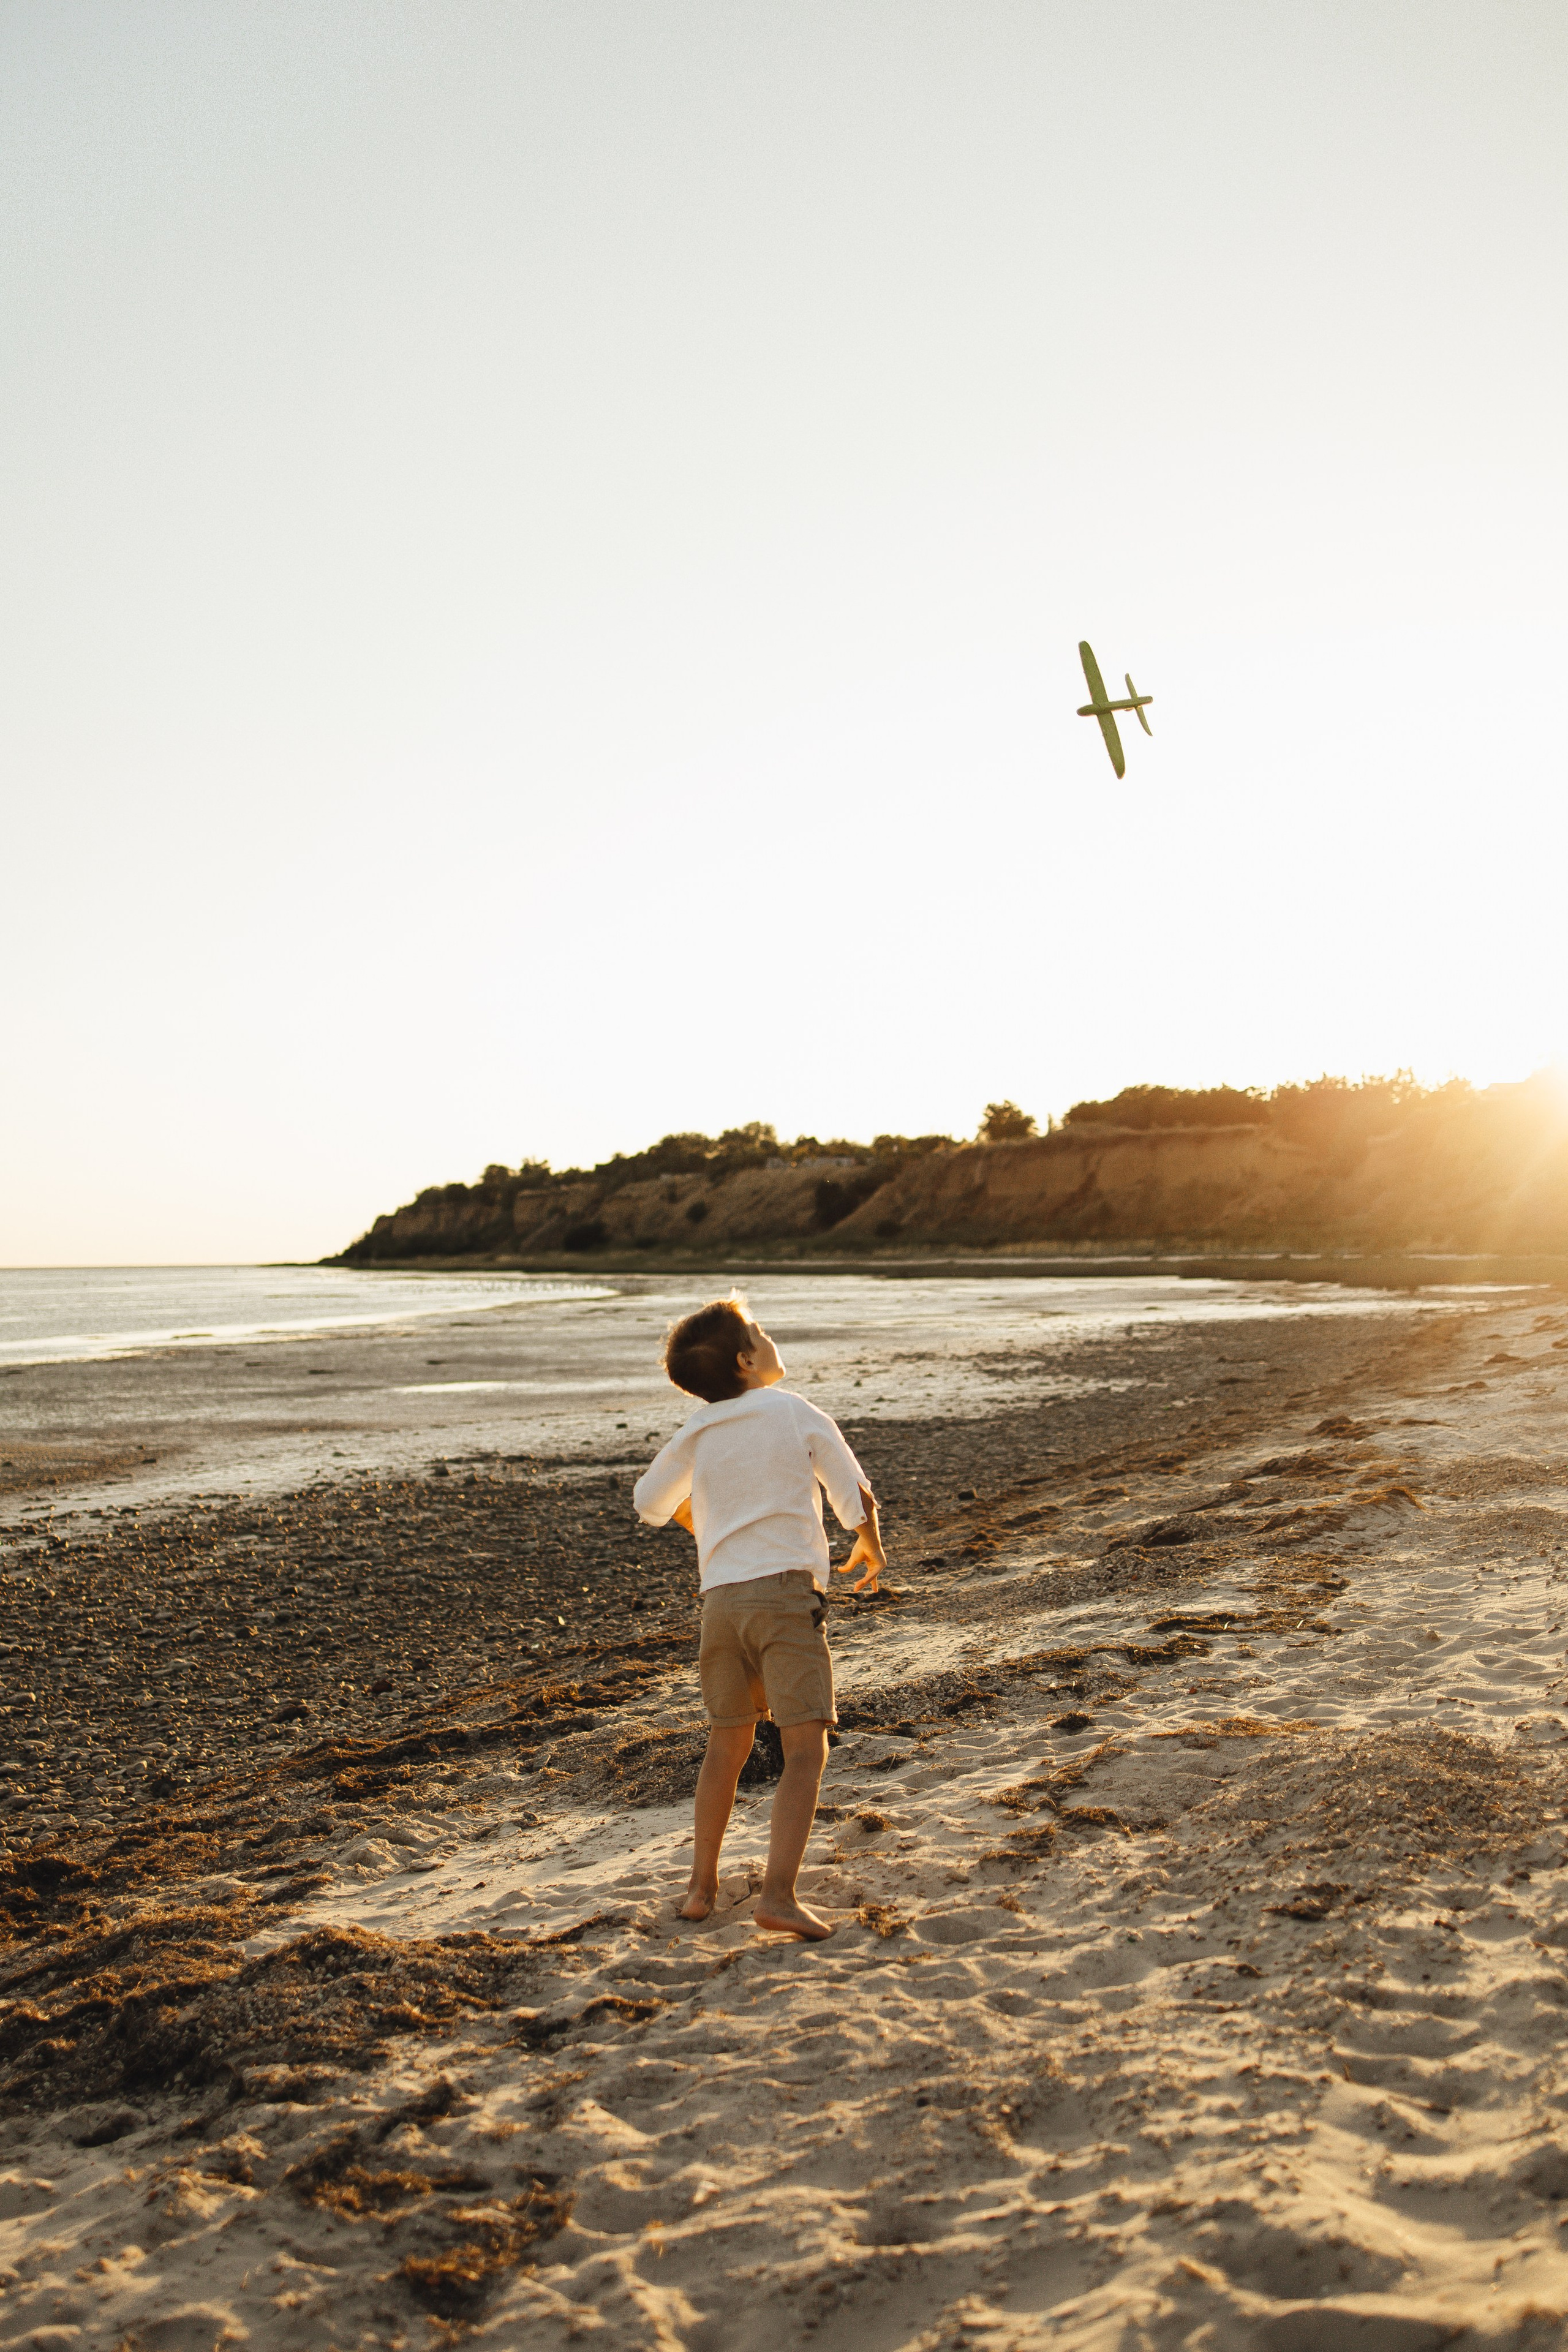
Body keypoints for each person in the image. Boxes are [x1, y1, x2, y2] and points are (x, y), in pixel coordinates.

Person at [632, 1295, 886, 1940]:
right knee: (805, 1749)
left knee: (727, 1744)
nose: (769, 1338)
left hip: (720, 1606)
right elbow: (851, 1487)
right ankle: (777, 1896)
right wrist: (868, 1541)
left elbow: (648, 1500)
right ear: (747, 1361)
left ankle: (700, 1888)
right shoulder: (792, 1409)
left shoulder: (698, 1430)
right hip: (784, 1598)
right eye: (760, 1331)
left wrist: (695, 1519)